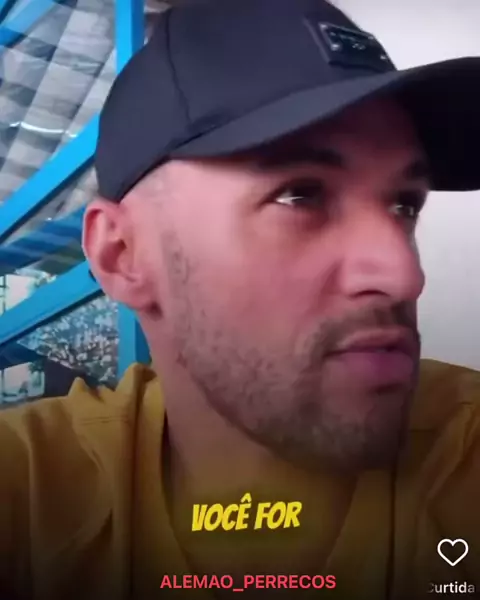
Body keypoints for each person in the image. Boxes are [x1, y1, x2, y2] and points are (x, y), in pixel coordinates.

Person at [1, 0, 480, 598]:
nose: (404, 274)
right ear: (122, 255)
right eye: (301, 195)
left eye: (405, 204)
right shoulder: (28, 490)